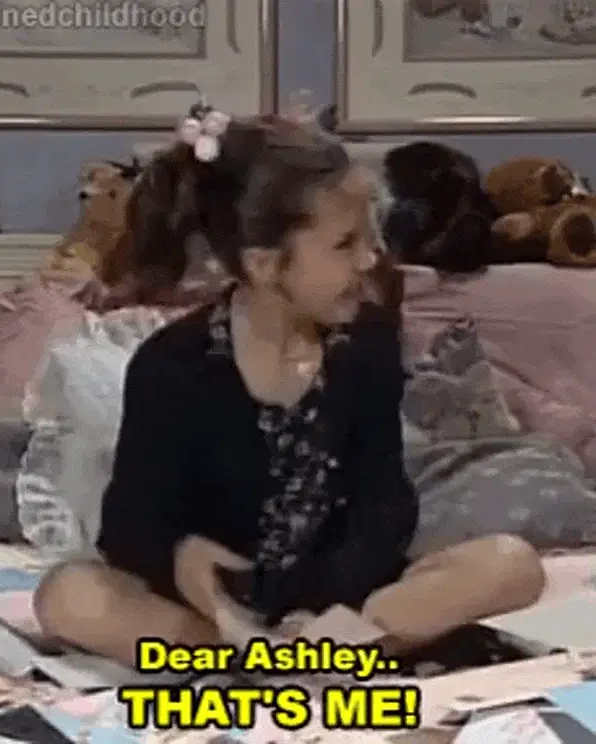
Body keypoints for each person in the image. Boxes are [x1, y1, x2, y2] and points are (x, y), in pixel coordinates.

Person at [34, 107, 545, 667]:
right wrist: (184, 561)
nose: (370, 259)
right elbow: (130, 526)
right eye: (345, 244)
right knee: (68, 595)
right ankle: (260, 660)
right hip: (216, 616)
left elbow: (383, 506)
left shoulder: (367, 345)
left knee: (511, 562)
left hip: (341, 608)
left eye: (369, 237)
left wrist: (327, 611)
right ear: (264, 265)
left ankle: (313, 656)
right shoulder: (173, 365)